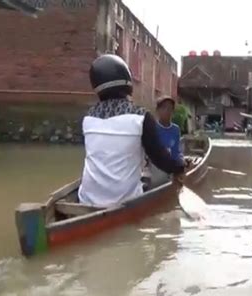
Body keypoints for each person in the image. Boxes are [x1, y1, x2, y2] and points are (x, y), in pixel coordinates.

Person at [78, 54, 185, 207]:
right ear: (127, 82)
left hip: (86, 200)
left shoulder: (87, 119)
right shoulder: (141, 117)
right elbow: (161, 160)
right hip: (125, 200)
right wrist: (180, 166)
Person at [147, 96, 186, 188]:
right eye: (163, 108)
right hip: (156, 163)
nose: (167, 111)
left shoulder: (175, 129)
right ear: (158, 110)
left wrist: (180, 162)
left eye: (170, 108)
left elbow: (175, 151)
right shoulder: (153, 128)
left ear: (173, 112)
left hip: (171, 161)